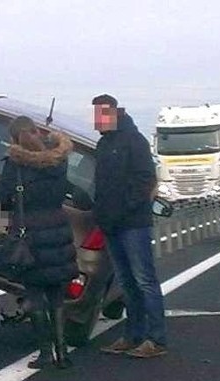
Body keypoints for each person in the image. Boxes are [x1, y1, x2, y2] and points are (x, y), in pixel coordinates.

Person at [0, 116, 78, 369]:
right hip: (58, 230)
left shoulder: (15, 164)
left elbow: (2, 198)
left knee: (34, 295)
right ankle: (62, 352)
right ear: (38, 133)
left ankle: (45, 353)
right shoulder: (59, 161)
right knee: (56, 294)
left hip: (29, 234)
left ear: (14, 138)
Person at [91, 94, 168, 358]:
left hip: (133, 223)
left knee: (144, 279)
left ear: (113, 112)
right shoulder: (103, 145)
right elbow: (101, 186)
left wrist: (124, 209)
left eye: (100, 115)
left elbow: (145, 178)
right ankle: (133, 334)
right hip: (111, 225)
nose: (96, 121)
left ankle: (155, 339)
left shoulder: (133, 141)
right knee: (126, 283)